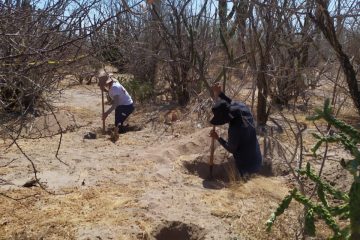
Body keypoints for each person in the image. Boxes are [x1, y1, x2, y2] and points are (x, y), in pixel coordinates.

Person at [209, 84, 262, 178]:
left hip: (246, 166)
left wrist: (218, 138)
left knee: (246, 184)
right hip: (256, 156)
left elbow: (231, 149)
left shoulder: (235, 129)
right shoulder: (242, 108)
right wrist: (220, 93)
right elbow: (231, 103)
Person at [98, 73, 134, 140]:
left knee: (117, 124)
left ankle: (119, 133)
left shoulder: (114, 88)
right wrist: (104, 89)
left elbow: (116, 103)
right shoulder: (113, 83)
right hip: (121, 106)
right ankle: (121, 127)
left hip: (126, 106)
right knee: (117, 122)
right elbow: (111, 92)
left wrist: (106, 113)